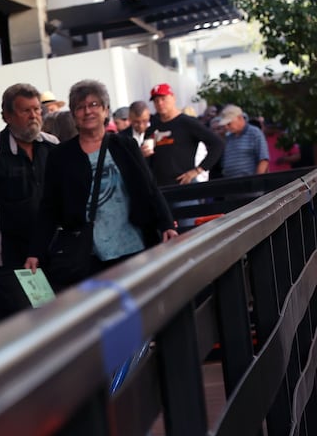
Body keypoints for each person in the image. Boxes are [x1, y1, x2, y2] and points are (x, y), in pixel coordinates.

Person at [37, 80, 177, 287]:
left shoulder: (125, 145)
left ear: (105, 110)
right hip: (89, 253)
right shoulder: (60, 156)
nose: (88, 111)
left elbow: (149, 187)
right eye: (80, 107)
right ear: (74, 115)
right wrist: (36, 251)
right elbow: (49, 206)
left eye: (94, 105)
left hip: (133, 245)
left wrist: (166, 223)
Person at [0, 82, 58, 324]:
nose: (34, 116)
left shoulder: (52, 145)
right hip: (8, 257)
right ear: (7, 116)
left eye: (37, 109)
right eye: (25, 110)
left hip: (50, 250)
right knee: (16, 324)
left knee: (52, 320)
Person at [144, 83, 223, 230]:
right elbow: (148, 160)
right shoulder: (152, 127)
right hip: (160, 191)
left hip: (183, 188)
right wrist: (142, 154)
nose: (160, 103)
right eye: (156, 100)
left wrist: (198, 170)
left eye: (163, 98)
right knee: (163, 235)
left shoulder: (187, 122)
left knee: (189, 232)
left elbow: (217, 144)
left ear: (173, 98)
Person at [216, 104, 270, 178]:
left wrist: (257, 180)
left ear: (240, 118)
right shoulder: (228, 137)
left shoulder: (254, 133)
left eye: (229, 123)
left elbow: (263, 159)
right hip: (231, 181)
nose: (226, 127)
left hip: (249, 180)